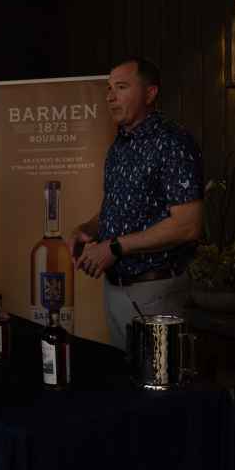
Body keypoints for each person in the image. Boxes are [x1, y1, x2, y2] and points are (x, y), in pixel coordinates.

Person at [68, 57, 204, 351]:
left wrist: (115, 247)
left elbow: (187, 225)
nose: (110, 96)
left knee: (156, 380)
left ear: (150, 93)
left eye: (121, 87)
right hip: (115, 290)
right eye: (109, 88)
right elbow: (116, 208)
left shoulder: (173, 142)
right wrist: (88, 229)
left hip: (155, 293)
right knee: (124, 377)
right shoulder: (119, 146)